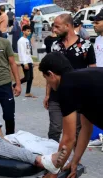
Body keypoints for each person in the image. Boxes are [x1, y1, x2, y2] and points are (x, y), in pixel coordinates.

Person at [39, 51, 103, 178]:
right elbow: (86, 129)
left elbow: (68, 139)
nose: (48, 83)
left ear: (51, 74)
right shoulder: (82, 82)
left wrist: (53, 173)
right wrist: (75, 161)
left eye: (46, 78)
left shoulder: (66, 88)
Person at [45, 14, 96, 142]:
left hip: (78, 97)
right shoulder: (55, 46)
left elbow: (92, 71)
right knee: (55, 129)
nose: (54, 30)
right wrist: (47, 94)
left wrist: (90, 96)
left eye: (57, 26)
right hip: (57, 96)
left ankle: (74, 161)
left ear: (67, 26)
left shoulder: (86, 45)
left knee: (76, 132)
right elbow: (49, 72)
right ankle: (52, 159)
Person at [14, 25, 36, 98]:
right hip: (25, 61)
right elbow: (21, 52)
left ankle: (28, 92)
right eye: (28, 31)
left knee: (31, 77)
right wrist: (24, 63)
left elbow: (28, 52)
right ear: (23, 31)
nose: (29, 32)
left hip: (29, 60)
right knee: (27, 78)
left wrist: (31, 61)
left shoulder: (27, 40)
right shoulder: (21, 41)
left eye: (30, 31)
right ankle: (14, 86)